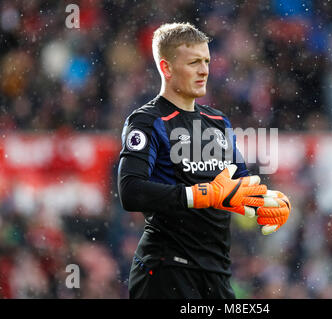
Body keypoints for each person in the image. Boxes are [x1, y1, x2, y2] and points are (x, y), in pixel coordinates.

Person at [117, 22, 291, 299]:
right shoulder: (147, 120)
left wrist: (268, 202)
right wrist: (200, 195)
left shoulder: (218, 122)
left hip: (217, 275)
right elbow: (131, 191)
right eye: (194, 62)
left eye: (207, 61)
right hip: (166, 270)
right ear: (167, 68)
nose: (204, 70)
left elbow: (240, 186)